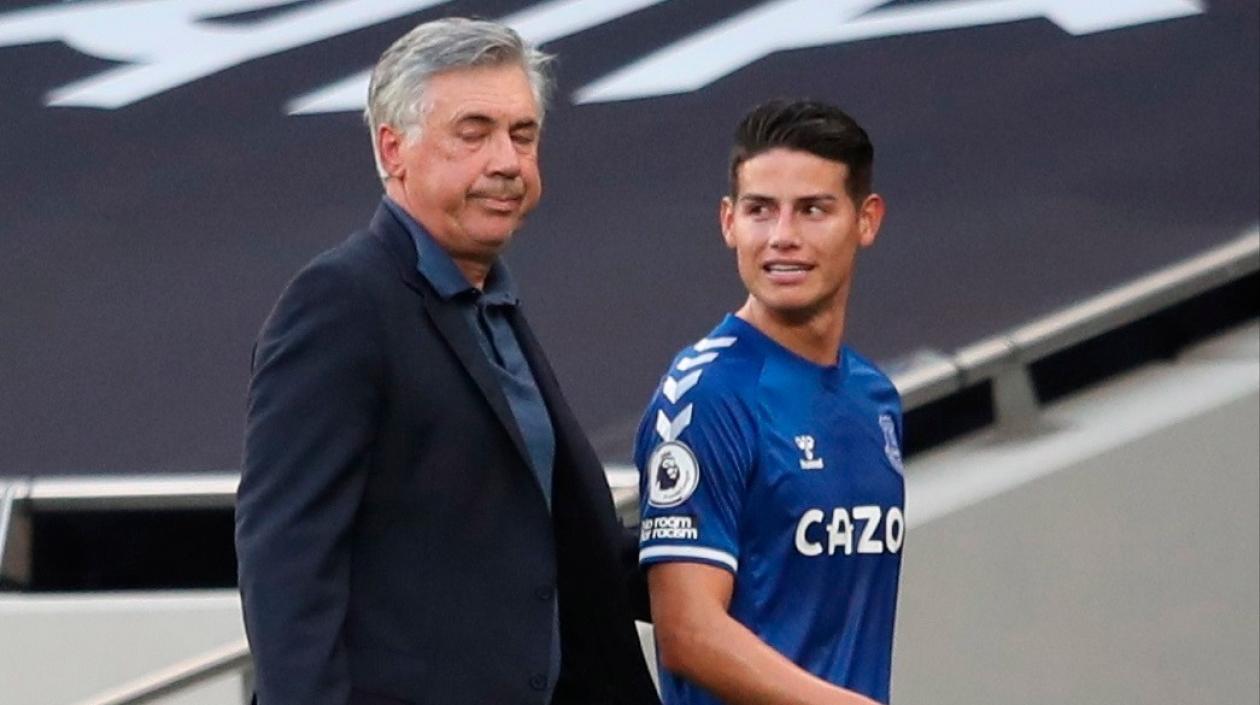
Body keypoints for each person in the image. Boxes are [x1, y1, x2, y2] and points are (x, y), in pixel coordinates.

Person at [235, 18, 660, 705]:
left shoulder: (490, 304)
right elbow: (287, 567)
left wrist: (714, 556)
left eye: (522, 135)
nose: (506, 161)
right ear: (392, 149)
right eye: (474, 132)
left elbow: (556, 542)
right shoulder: (339, 302)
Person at [635, 99, 905, 705]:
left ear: (866, 221)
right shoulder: (704, 395)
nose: (783, 237)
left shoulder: (876, 397)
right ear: (729, 222)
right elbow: (687, 630)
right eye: (761, 210)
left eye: (812, 210)